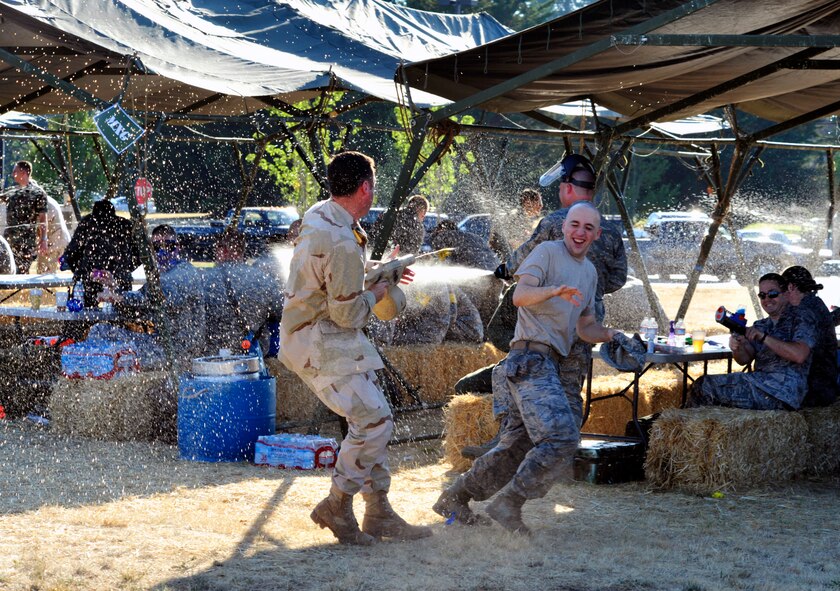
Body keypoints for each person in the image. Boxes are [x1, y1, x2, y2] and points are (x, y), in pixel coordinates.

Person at [433, 202, 620, 534]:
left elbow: (585, 326)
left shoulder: (589, 272)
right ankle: (509, 503)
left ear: (597, 234)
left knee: (516, 447)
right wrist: (554, 291)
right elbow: (520, 295)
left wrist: (609, 334)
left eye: (588, 228)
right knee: (562, 438)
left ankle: (455, 497)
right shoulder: (547, 252)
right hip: (529, 360)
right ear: (565, 227)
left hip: (549, 365)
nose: (580, 232)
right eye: (575, 225)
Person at [280, 151, 431, 545]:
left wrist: (378, 270)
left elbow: (333, 273)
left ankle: (378, 511)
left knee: (373, 416)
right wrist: (377, 292)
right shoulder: (343, 241)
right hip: (318, 342)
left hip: (328, 337)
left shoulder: (323, 214)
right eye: (373, 186)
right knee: (374, 421)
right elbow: (348, 314)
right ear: (365, 187)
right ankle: (338, 504)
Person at [458, 153, 626, 456]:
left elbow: (521, 262)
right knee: (570, 388)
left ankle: (506, 448)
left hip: (550, 318)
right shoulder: (609, 230)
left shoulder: (554, 223)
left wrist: (503, 270)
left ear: (567, 187)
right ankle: (565, 455)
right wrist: (592, 290)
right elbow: (618, 278)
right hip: (586, 317)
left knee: (523, 380)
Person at [687, 273, 815, 410]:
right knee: (702, 384)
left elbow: (799, 355)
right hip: (758, 384)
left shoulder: (801, 319)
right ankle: (692, 421)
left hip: (782, 394)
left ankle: (683, 422)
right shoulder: (761, 325)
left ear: (785, 294)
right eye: (762, 295)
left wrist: (764, 337)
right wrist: (738, 346)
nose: (767, 299)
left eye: (772, 294)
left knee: (705, 387)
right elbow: (744, 360)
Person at [95, 224, 207, 368]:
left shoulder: (184, 272)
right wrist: (114, 287)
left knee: (109, 342)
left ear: (178, 247)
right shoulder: (161, 275)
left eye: (168, 246)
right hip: (161, 342)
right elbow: (140, 300)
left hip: (179, 350)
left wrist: (119, 298)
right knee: (101, 330)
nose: (162, 251)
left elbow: (161, 298)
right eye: (157, 247)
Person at [202, 229, 284, 355]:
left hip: (214, 356)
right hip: (251, 354)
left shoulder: (205, 280)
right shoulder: (262, 279)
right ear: (242, 249)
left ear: (222, 250)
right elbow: (281, 312)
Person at [61, 199, 141, 307]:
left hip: (90, 277)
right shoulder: (125, 225)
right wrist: (125, 268)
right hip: (119, 277)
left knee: (86, 313)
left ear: (93, 212)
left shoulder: (87, 223)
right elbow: (140, 255)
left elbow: (71, 253)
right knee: (121, 310)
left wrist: (80, 271)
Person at [781, 265, 837, 407]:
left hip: (813, 390)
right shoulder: (814, 304)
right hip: (823, 386)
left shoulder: (804, 311)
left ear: (791, 287)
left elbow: (796, 353)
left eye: (782, 289)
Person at [0, 161, 48, 273]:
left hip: (26, 241)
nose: (13, 174)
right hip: (9, 239)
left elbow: (43, 219)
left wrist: (43, 239)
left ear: (24, 173)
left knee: (22, 272)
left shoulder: (38, 193)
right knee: (6, 271)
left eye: (15, 171)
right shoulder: (13, 192)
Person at [488, 188, 544, 261]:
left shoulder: (524, 218)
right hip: (501, 258)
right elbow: (514, 242)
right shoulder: (516, 218)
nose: (541, 206)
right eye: (538, 202)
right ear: (527, 202)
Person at [428, 219, 499, 271]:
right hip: (495, 267)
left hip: (477, 270)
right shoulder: (472, 236)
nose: (435, 233)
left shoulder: (443, 236)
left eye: (436, 230)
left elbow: (443, 260)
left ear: (441, 230)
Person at [37, 196, 71, 273]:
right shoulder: (46, 199)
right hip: (56, 240)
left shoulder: (44, 202)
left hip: (56, 242)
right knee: (44, 270)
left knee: (45, 273)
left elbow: (42, 222)